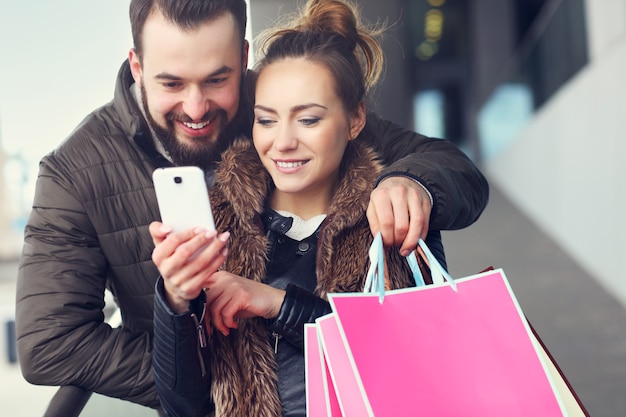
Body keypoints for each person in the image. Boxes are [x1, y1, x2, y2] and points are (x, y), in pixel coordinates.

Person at [15, 0, 488, 412]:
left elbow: (443, 164)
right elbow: (49, 344)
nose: (197, 108)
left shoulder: (285, 93)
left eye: (217, 80)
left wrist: (413, 181)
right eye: (172, 84)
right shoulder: (75, 171)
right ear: (137, 67)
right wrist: (213, 372)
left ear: (243, 61)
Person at [149, 0, 464, 415]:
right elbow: (181, 407)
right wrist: (175, 300)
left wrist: (278, 304)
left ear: (355, 120)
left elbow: (413, 371)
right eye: (267, 119)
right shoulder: (221, 223)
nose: (282, 142)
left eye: (308, 120)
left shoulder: (393, 217)